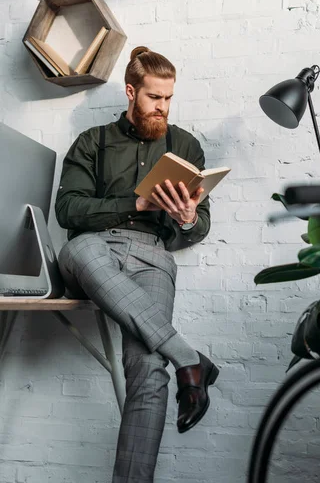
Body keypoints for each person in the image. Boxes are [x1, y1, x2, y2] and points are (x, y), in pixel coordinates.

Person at [55, 46, 219, 483]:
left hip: (152, 256)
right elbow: (67, 210)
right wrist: (138, 201)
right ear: (131, 91)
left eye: (168, 99)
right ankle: (188, 357)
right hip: (94, 249)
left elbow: (200, 224)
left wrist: (187, 218)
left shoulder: (185, 146)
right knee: (78, 249)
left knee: (148, 368)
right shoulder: (92, 142)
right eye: (154, 98)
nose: (162, 108)